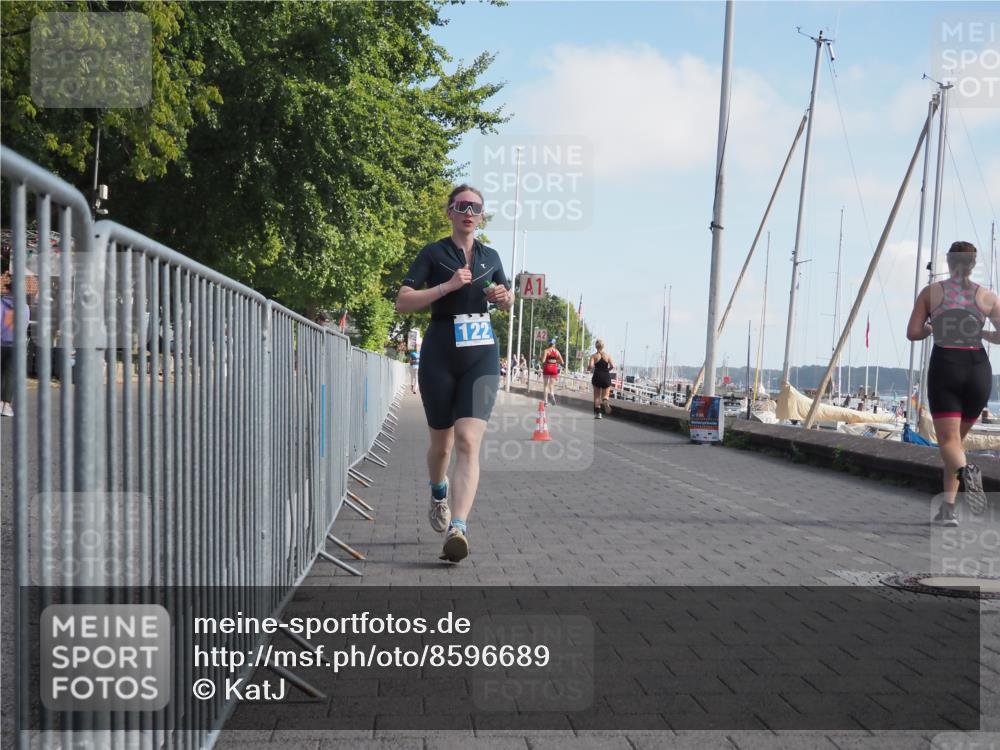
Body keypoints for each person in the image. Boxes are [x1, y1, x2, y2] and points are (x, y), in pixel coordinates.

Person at [395, 184, 513, 562]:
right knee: (442, 445)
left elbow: (508, 297)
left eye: (476, 207)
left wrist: (504, 297)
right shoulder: (433, 253)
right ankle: (437, 491)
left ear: (481, 216)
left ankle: (458, 527)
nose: (469, 212)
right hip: (441, 350)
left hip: (481, 352)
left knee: (467, 441)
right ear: (450, 212)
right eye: (462, 205)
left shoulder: (491, 256)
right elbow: (402, 301)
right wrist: (446, 287)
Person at [907, 240, 997, 526]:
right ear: (972, 264)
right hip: (978, 369)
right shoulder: (988, 297)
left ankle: (967, 472)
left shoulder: (932, 293)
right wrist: (980, 332)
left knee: (947, 441)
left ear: (948, 262)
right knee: (956, 443)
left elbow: (913, 332)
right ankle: (948, 509)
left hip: (947, 365)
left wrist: (935, 327)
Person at [587, 340, 615, 419]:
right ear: (603, 346)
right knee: (605, 394)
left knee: (597, 396)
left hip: (597, 376)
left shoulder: (593, 356)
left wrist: (588, 368)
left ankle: (598, 413)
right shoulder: (607, 355)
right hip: (606, 376)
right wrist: (607, 370)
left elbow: (591, 366)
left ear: (596, 346)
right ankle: (605, 399)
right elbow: (613, 365)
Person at [540, 339, 564, 405]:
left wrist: (540, 358)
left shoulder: (546, 351)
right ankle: (552, 394)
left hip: (547, 368)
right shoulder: (557, 351)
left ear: (549, 343)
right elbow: (562, 362)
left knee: (545, 385)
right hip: (554, 368)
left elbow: (543, 361)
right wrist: (556, 361)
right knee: (552, 385)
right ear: (554, 344)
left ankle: (546, 401)